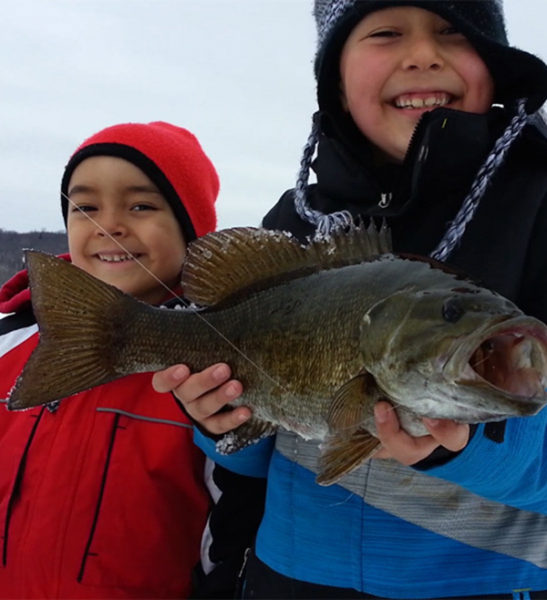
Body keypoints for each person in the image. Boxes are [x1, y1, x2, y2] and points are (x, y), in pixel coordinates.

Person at [153, 1, 547, 599]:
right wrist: (218, 418)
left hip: (487, 584)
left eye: (453, 32)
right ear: (335, 77)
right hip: (287, 580)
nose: (421, 54)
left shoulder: (539, 213)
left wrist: (465, 448)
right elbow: (249, 461)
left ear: (493, 67)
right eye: (386, 33)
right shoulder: (295, 222)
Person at [0, 121, 245, 599]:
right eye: (85, 207)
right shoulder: (11, 341)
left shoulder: (215, 365)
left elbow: (236, 525)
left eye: (140, 205)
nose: (106, 225)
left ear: (190, 228)